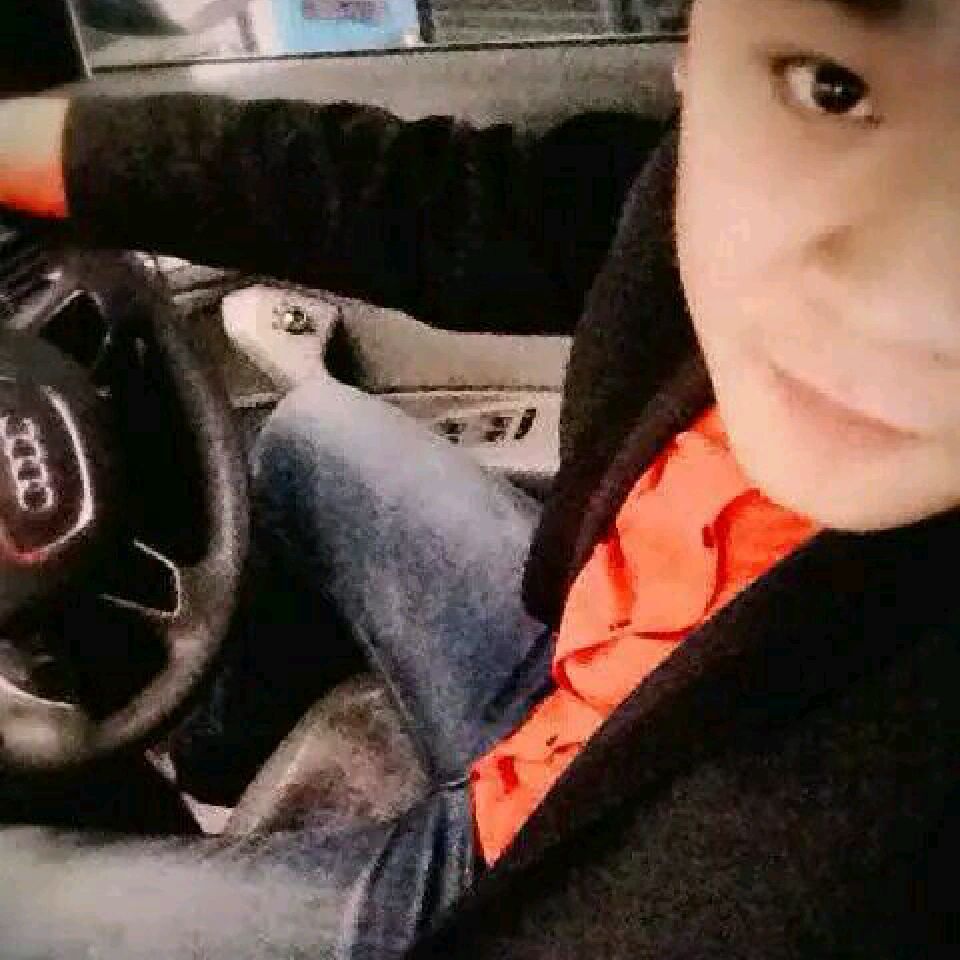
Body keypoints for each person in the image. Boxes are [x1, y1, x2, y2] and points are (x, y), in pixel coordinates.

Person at [1, 0, 959, 957]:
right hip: (571, 681)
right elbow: (423, 198)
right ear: (692, 51)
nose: (915, 306)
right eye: (834, 88)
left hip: (540, 866)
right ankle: (217, 768)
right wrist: (49, 150)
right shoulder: (675, 188)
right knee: (307, 436)